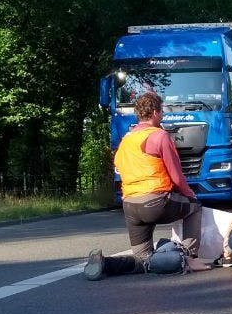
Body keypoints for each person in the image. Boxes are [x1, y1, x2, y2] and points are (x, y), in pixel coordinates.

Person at [86, 92, 209, 279]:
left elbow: (119, 166)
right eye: (162, 111)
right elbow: (176, 176)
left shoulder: (126, 141)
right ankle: (189, 256)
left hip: (130, 207)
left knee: (143, 260)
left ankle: (105, 264)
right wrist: (191, 195)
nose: (163, 115)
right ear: (154, 112)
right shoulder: (159, 136)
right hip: (156, 203)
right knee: (194, 208)